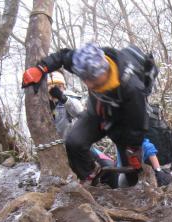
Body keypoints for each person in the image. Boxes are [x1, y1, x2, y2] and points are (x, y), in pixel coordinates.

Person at [22, 42, 154, 186]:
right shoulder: (85, 63)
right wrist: (42, 68)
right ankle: (92, 178)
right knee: (74, 143)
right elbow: (62, 56)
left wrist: (134, 147)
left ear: (104, 71)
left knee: (131, 170)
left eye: (94, 81)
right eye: (85, 79)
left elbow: (138, 122)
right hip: (97, 114)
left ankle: (131, 187)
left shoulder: (132, 87)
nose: (89, 84)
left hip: (122, 123)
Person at [47, 71, 84, 139]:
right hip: (57, 144)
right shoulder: (46, 104)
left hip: (75, 142)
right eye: (50, 88)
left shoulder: (71, 98)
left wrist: (63, 98)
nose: (54, 90)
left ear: (64, 87)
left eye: (59, 86)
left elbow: (80, 112)